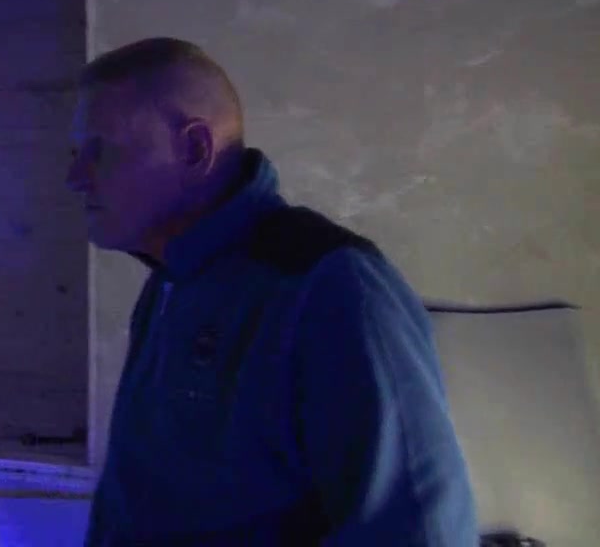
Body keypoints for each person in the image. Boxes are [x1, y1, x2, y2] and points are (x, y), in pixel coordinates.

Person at [68, 37, 478, 545]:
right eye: (76, 153)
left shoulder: (329, 286)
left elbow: (421, 533)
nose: (75, 177)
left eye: (100, 151)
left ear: (194, 150)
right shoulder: (169, 283)